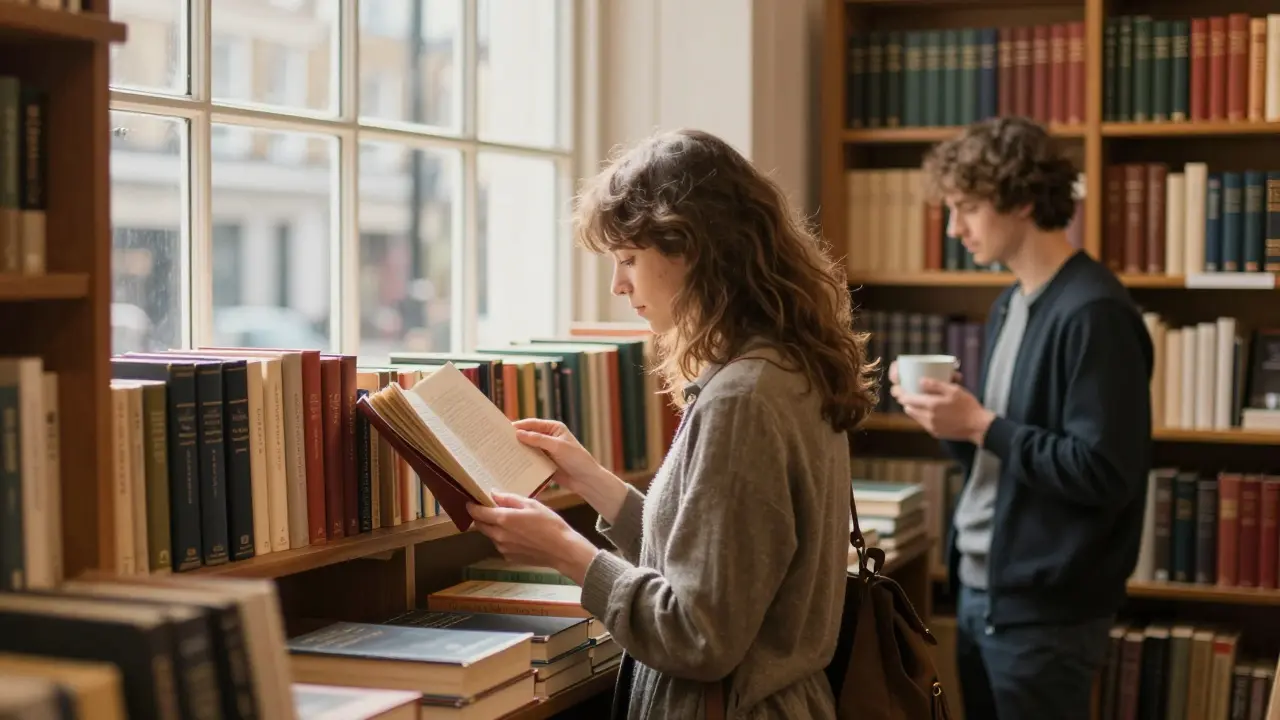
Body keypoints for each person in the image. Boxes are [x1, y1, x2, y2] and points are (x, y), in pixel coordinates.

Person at [465, 128, 880, 719]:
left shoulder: (742, 399)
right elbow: (721, 560)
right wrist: (593, 482)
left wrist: (566, 552)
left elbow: (698, 633)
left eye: (629, 259)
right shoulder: (782, 366)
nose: (618, 284)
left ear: (690, 248)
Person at [889, 116, 1153, 720]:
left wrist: (982, 426)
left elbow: (1106, 473)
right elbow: (1008, 456)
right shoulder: (1010, 302)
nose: (955, 228)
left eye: (969, 208)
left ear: (1024, 200)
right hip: (984, 590)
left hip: (1048, 611)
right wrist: (955, 426)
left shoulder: (1094, 313)